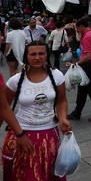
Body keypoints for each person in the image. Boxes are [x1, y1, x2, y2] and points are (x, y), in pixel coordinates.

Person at [2, 40, 71, 180]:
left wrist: (63, 118)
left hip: (50, 135)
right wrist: (19, 135)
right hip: (22, 136)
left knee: (48, 174)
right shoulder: (15, 81)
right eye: (33, 54)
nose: (37, 57)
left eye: (41, 53)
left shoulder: (57, 75)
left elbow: (62, 100)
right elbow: (3, 108)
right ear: (26, 57)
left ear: (47, 55)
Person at [68, 17, 91, 122]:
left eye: (77, 29)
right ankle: (77, 112)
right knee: (82, 89)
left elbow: (87, 56)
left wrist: (75, 64)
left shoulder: (86, 38)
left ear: (82, 26)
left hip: (89, 65)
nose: (77, 31)